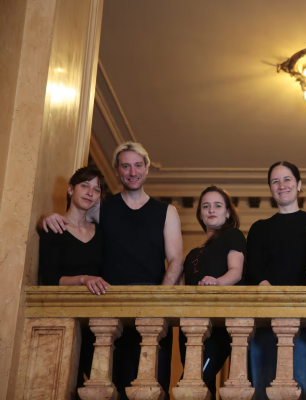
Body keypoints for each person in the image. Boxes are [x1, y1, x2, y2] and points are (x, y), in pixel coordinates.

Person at [42, 142, 183, 399]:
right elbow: (74, 220)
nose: (132, 171)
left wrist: (159, 301)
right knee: (110, 387)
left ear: (147, 169)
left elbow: (176, 261)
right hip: (107, 310)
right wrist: (46, 219)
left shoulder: (167, 211)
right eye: (125, 166)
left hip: (151, 312)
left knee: (154, 388)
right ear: (117, 171)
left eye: (138, 165)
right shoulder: (100, 206)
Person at [245, 161, 306, 400]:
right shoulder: (259, 228)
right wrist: (266, 289)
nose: (281, 185)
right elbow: (252, 271)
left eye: (287, 179)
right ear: (270, 188)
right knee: (264, 390)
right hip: (267, 322)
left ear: (299, 185)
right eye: (275, 181)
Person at [39, 166, 108, 396]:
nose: (90, 192)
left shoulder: (101, 233)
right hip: (63, 319)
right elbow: (48, 280)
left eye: (96, 190)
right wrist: (83, 279)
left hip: (97, 321)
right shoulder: (54, 227)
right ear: (70, 189)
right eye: (84, 186)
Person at [179, 185, 245, 398]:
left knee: (192, 382)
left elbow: (236, 272)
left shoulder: (232, 235)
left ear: (227, 212)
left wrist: (216, 282)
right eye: (205, 206)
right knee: (202, 386)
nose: (211, 210)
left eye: (217, 205)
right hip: (190, 327)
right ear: (200, 214)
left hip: (217, 326)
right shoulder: (192, 253)